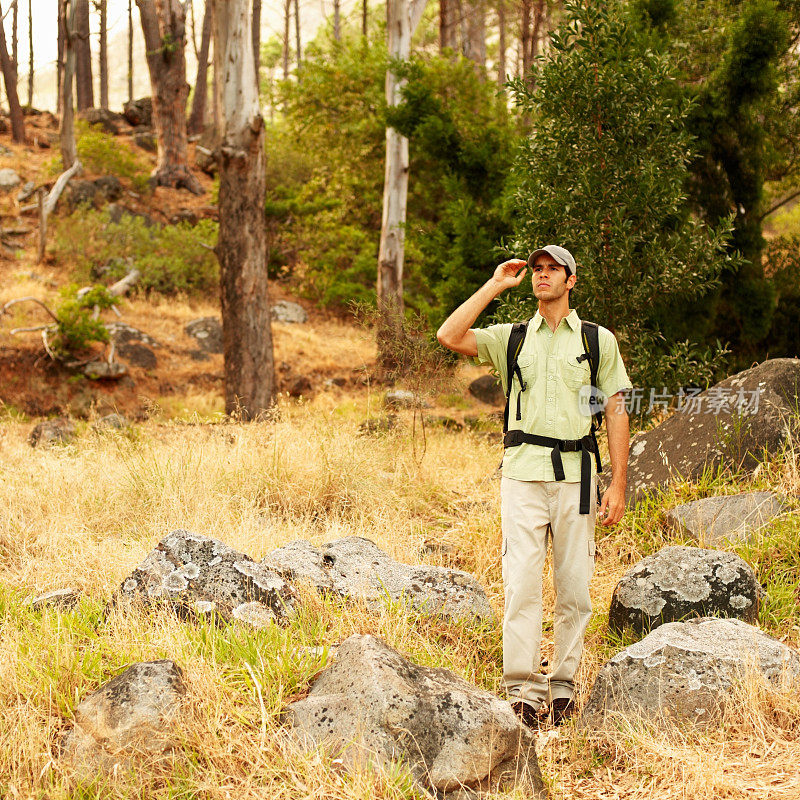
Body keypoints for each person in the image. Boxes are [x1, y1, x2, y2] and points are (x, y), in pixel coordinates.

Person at [436, 245, 632, 727]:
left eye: (553, 270)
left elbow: (616, 410)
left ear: (571, 281)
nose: (543, 276)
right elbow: (449, 335)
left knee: (575, 589)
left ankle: (562, 689)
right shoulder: (511, 338)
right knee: (521, 585)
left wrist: (618, 484)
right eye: (537, 270)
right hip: (522, 474)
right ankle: (522, 691)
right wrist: (496, 284)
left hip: (578, 475)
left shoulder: (595, 340)